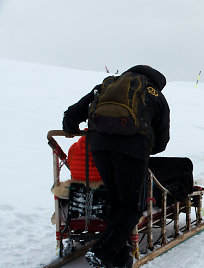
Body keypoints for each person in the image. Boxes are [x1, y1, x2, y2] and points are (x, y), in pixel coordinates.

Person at [62, 65, 170, 268]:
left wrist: (74, 128)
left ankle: (120, 258)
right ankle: (103, 252)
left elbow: (71, 117)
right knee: (132, 207)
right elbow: (162, 142)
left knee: (116, 199)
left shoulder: (106, 86)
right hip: (132, 152)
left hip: (99, 149)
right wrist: (143, 147)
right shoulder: (156, 95)